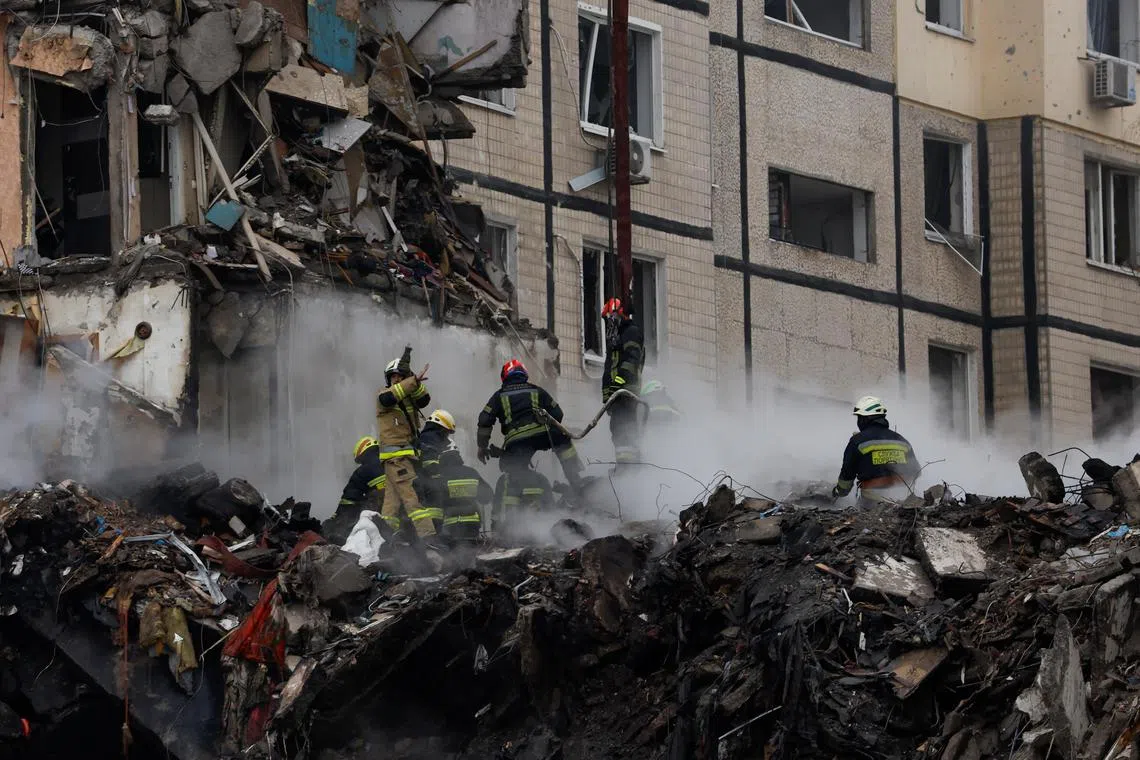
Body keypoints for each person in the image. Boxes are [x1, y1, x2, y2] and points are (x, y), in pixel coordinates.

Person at [476, 359, 585, 508]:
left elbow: (485, 420)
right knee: (562, 439)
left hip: (516, 440)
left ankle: (517, 511)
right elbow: (558, 413)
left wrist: (482, 446)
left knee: (515, 473)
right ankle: (576, 481)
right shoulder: (536, 390)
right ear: (524, 373)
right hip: (541, 433)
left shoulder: (499, 396)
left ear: (505, 377)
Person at [376, 348, 441, 539]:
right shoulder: (384, 395)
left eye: (400, 376)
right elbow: (391, 396)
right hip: (397, 457)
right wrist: (410, 380)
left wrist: (414, 379)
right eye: (394, 376)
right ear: (389, 379)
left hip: (401, 457)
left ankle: (386, 539)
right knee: (412, 498)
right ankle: (429, 538)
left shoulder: (408, 396)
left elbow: (424, 400)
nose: (397, 379)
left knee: (391, 505)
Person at [832, 396, 920, 505]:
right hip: (904, 500)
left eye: (859, 418)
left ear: (864, 419)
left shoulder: (857, 441)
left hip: (872, 502)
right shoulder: (901, 440)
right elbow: (916, 471)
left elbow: (847, 476)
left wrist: (838, 492)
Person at [602, 298, 645, 468]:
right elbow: (609, 369)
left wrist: (617, 385)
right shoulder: (616, 339)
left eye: (609, 319)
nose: (608, 324)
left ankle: (627, 468)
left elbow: (631, 360)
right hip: (617, 395)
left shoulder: (631, 332)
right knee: (618, 430)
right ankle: (625, 466)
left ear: (618, 315)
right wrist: (607, 396)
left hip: (626, 392)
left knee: (625, 431)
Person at [321, 436, 384, 544]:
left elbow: (349, 498)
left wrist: (336, 516)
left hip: (370, 512)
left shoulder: (362, 471)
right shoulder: (388, 463)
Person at [436, 443, 493, 542]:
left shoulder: (440, 476)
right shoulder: (472, 472)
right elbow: (487, 497)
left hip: (450, 526)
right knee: (472, 552)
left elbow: (437, 503)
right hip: (472, 524)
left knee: (454, 555)